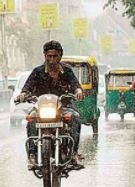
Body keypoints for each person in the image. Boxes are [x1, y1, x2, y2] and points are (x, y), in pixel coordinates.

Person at [16, 40, 84, 168]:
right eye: (49, 56)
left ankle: (74, 153)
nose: (52, 60)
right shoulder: (37, 71)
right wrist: (23, 95)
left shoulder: (67, 71)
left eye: (55, 56)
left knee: (75, 117)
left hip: (64, 107)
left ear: (60, 56)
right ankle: (32, 155)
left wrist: (78, 91)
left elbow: (76, 85)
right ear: (45, 56)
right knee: (31, 119)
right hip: (42, 109)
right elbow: (27, 87)